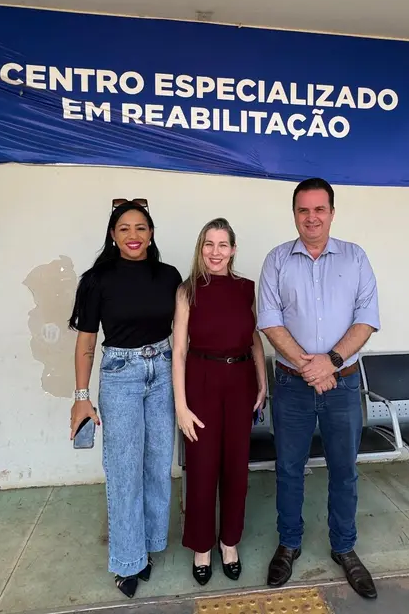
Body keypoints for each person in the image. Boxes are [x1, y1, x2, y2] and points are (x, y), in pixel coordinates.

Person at [256, 178, 380, 599]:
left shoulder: (356, 257)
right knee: (289, 469)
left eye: (319, 209)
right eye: (303, 210)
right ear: (294, 214)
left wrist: (331, 362)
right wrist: (311, 367)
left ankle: (344, 548)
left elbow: (366, 319)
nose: (312, 217)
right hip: (292, 386)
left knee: (344, 470)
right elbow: (270, 321)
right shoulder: (276, 260)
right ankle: (288, 544)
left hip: (343, 385)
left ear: (331, 212)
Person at [68, 199, 182, 599]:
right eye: (124, 229)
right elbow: (85, 344)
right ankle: (127, 559)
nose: (133, 236)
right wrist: (82, 397)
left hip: (164, 371)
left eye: (141, 228)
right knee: (124, 468)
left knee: (156, 464)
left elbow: (183, 335)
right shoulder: (97, 280)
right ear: (113, 237)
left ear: (151, 234)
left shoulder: (169, 277)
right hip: (121, 376)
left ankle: (149, 544)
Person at [172, 218, 267, 585]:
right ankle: (201, 547)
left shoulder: (246, 288)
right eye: (208, 244)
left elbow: (254, 337)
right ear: (200, 248)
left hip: (240, 382)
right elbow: (179, 350)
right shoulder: (187, 290)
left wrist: (262, 383)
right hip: (201, 381)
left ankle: (229, 543)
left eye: (223, 244)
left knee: (235, 469)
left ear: (233, 249)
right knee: (201, 468)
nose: (215, 252)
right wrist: (181, 405)